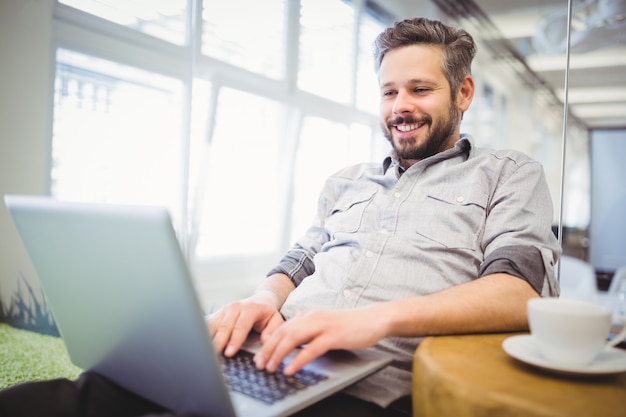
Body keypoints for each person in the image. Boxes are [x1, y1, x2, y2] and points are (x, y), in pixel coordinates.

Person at [0, 17, 560, 417]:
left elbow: (518, 291)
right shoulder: (347, 180)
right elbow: (302, 256)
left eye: (419, 89)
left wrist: (379, 319)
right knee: (87, 394)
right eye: (389, 91)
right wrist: (264, 299)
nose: (399, 107)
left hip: (369, 386)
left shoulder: (509, 173)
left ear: (463, 92)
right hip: (273, 357)